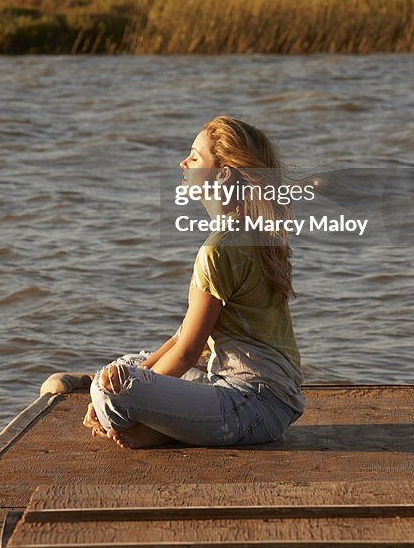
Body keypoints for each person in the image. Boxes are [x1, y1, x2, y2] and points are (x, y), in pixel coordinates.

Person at [82, 115, 304, 449]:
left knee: (109, 389)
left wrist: (124, 396)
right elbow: (183, 336)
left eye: (195, 156)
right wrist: (139, 377)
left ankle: (155, 428)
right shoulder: (257, 233)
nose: (182, 162)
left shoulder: (219, 248)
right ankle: (160, 428)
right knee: (124, 367)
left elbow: (188, 352)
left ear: (222, 174)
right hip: (274, 402)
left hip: (248, 408)